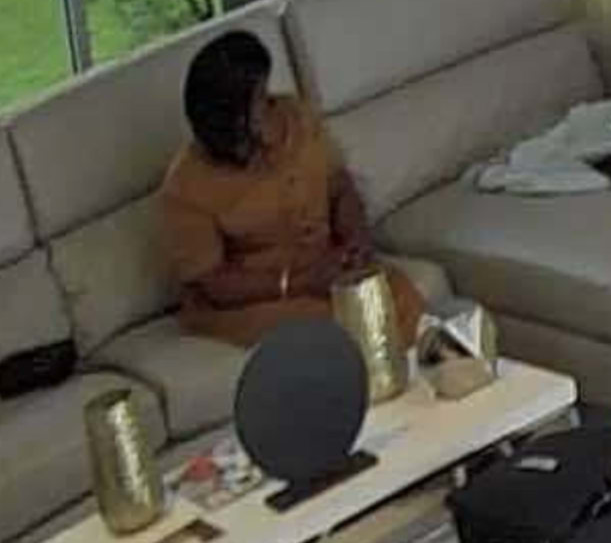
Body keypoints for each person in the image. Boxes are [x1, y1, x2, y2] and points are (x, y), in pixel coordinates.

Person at [157, 31, 424, 347]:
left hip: (326, 269)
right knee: (338, 328)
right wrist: (298, 282)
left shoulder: (294, 117)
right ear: (229, 120)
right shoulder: (186, 185)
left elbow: (340, 186)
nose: (270, 107)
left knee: (399, 296)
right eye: (258, 101)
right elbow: (214, 283)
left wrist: (356, 239)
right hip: (259, 299)